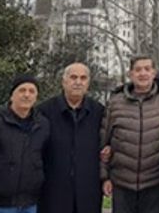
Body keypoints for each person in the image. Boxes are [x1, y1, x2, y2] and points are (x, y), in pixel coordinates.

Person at [104, 56, 159, 213]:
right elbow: (103, 142)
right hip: (122, 182)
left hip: (155, 182)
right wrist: (105, 177)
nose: (143, 73)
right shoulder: (115, 103)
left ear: (154, 73)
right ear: (130, 74)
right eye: (138, 69)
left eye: (147, 69)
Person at [0, 75, 50, 213]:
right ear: (12, 95)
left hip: (30, 204)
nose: (27, 95)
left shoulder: (43, 125)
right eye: (22, 90)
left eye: (31, 91)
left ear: (36, 97)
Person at [40, 63, 105, 213]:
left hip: (88, 192)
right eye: (73, 77)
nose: (78, 82)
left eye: (83, 78)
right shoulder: (44, 111)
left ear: (88, 83)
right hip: (53, 192)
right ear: (64, 81)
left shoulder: (99, 112)